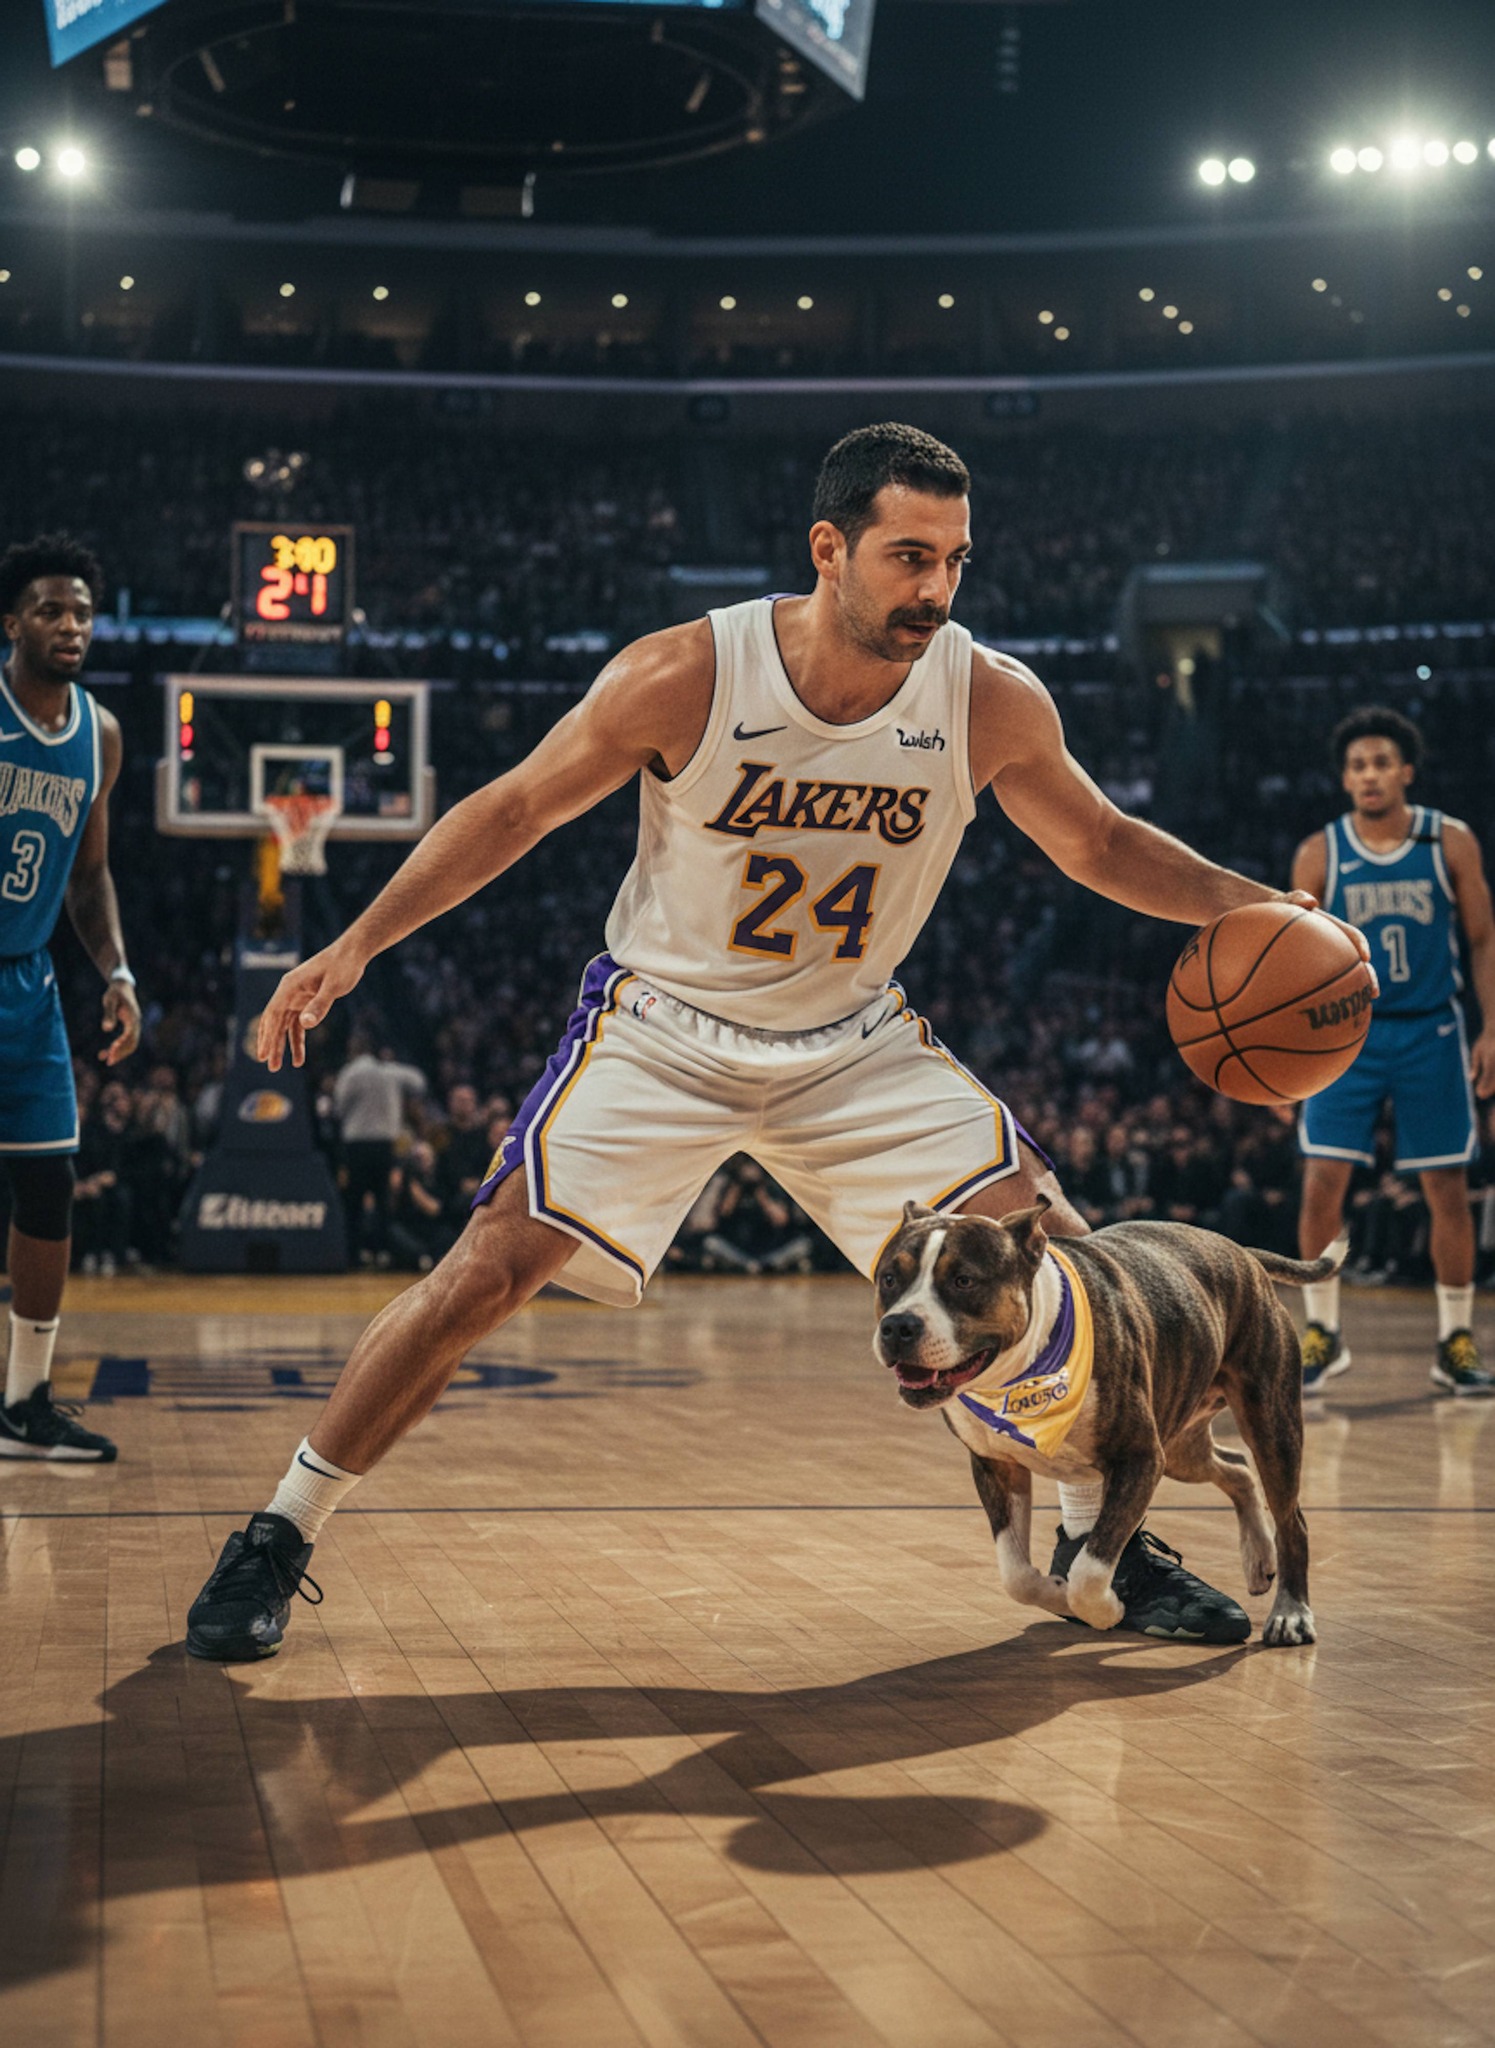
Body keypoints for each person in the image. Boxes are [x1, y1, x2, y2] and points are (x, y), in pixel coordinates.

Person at [184, 422, 1369, 1659]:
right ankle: (280, 1527)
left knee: (1058, 1259)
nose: (936, 589)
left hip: (851, 1039)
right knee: (485, 1271)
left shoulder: (988, 698)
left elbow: (1105, 844)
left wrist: (1269, 909)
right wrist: (358, 940)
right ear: (828, 548)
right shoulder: (687, 672)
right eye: (909, 556)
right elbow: (516, 806)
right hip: (663, 1026)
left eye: (955, 560)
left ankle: (1106, 1547)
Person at [1294, 706, 1495, 1395]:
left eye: (1380, 763)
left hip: (1431, 1030)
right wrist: (1291, 1056)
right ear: (1344, 779)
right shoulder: (1321, 851)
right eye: (1356, 766)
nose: (1369, 775)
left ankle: (1454, 1341)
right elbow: (1292, 961)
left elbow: (1482, 940)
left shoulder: (1450, 842)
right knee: (1322, 1180)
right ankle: (1320, 1333)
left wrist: (1490, 1028)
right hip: (1345, 1036)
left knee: (1445, 1186)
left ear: (1405, 771)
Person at [0, 534, 140, 1463]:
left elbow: (89, 878)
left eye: (83, 612)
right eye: (52, 609)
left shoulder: (101, 733)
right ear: (12, 624)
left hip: (30, 983)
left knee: (48, 1186)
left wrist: (118, 973)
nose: (71, 626)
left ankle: (24, 1403)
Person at [331, 1036, 427, 1264]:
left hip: (358, 1146)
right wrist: (391, 1066)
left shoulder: (350, 1072)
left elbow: (339, 1106)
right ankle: (383, 1253)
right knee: (383, 1203)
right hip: (384, 1146)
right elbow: (419, 1083)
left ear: (354, 1049)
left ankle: (353, 1255)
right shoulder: (390, 1072)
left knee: (354, 1202)